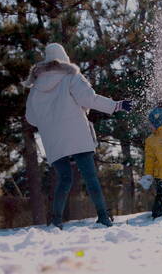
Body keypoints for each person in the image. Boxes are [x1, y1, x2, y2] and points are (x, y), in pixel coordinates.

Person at [24, 43, 132, 229]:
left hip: (53, 140)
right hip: (76, 134)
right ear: (64, 58)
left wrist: (49, 121)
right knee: (90, 177)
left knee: (64, 178)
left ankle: (56, 220)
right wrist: (116, 105)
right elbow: (89, 99)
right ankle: (103, 216)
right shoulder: (71, 76)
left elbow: (31, 118)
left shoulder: (35, 87)